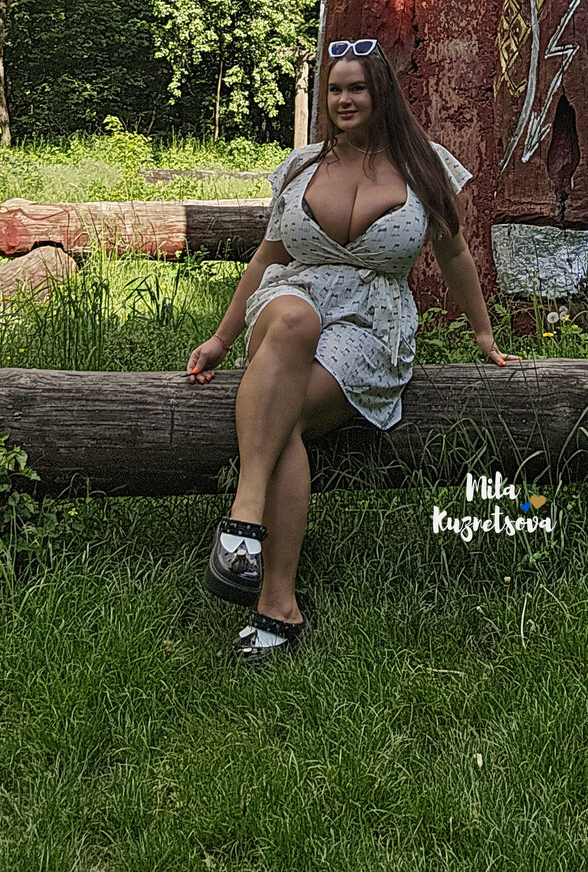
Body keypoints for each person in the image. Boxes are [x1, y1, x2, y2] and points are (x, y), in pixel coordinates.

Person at [186, 38, 518, 665]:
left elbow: (454, 253)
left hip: (371, 325)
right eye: (335, 89)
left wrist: (483, 333)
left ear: (380, 92)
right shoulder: (301, 167)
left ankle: (274, 597)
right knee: (292, 319)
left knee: (283, 422)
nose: (344, 100)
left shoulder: (425, 166)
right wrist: (221, 339)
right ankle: (246, 518)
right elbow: (268, 256)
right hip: (291, 300)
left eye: (356, 88)